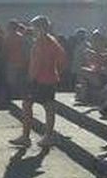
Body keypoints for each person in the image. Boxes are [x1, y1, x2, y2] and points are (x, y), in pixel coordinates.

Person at [15, 16, 68, 149]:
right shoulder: (52, 41)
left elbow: (37, 64)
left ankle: (28, 136)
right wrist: (55, 71)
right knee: (48, 107)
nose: (32, 30)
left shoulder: (42, 42)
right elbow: (62, 59)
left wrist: (31, 78)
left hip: (39, 79)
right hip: (49, 78)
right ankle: (44, 136)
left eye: (34, 28)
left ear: (41, 28)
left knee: (29, 106)